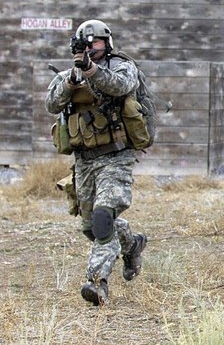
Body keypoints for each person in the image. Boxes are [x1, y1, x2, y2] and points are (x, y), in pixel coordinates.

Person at [45, 19, 148, 306]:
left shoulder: (121, 67)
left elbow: (120, 85)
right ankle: (132, 245)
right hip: (85, 163)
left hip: (116, 157)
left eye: (96, 43)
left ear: (107, 43)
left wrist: (91, 70)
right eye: (85, 45)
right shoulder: (70, 75)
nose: (91, 48)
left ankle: (97, 282)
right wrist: (71, 83)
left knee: (103, 220)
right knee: (91, 227)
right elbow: (51, 104)